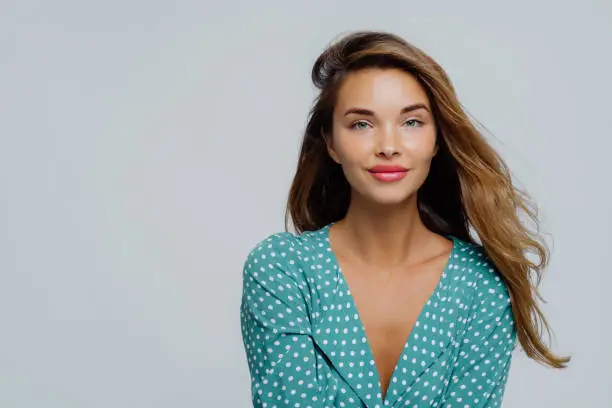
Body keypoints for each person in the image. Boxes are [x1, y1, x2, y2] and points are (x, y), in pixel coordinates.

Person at [239, 30, 569, 408]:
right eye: (361, 124)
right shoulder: (282, 271)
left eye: (411, 122)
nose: (389, 146)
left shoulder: (481, 287)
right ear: (331, 142)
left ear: (436, 139)